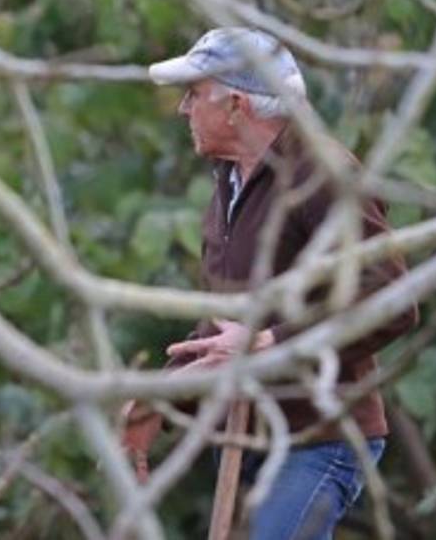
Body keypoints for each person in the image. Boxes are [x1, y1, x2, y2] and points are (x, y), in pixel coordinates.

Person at [124, 27, 416, 540]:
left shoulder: (323, 173)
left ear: (236, 104)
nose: (182, 110)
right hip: (247, 438)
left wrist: (271, 342)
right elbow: (223, 330)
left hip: (320, 437)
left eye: (193, 94)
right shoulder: (228, 184)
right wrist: (161, 400)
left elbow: (391, 300)